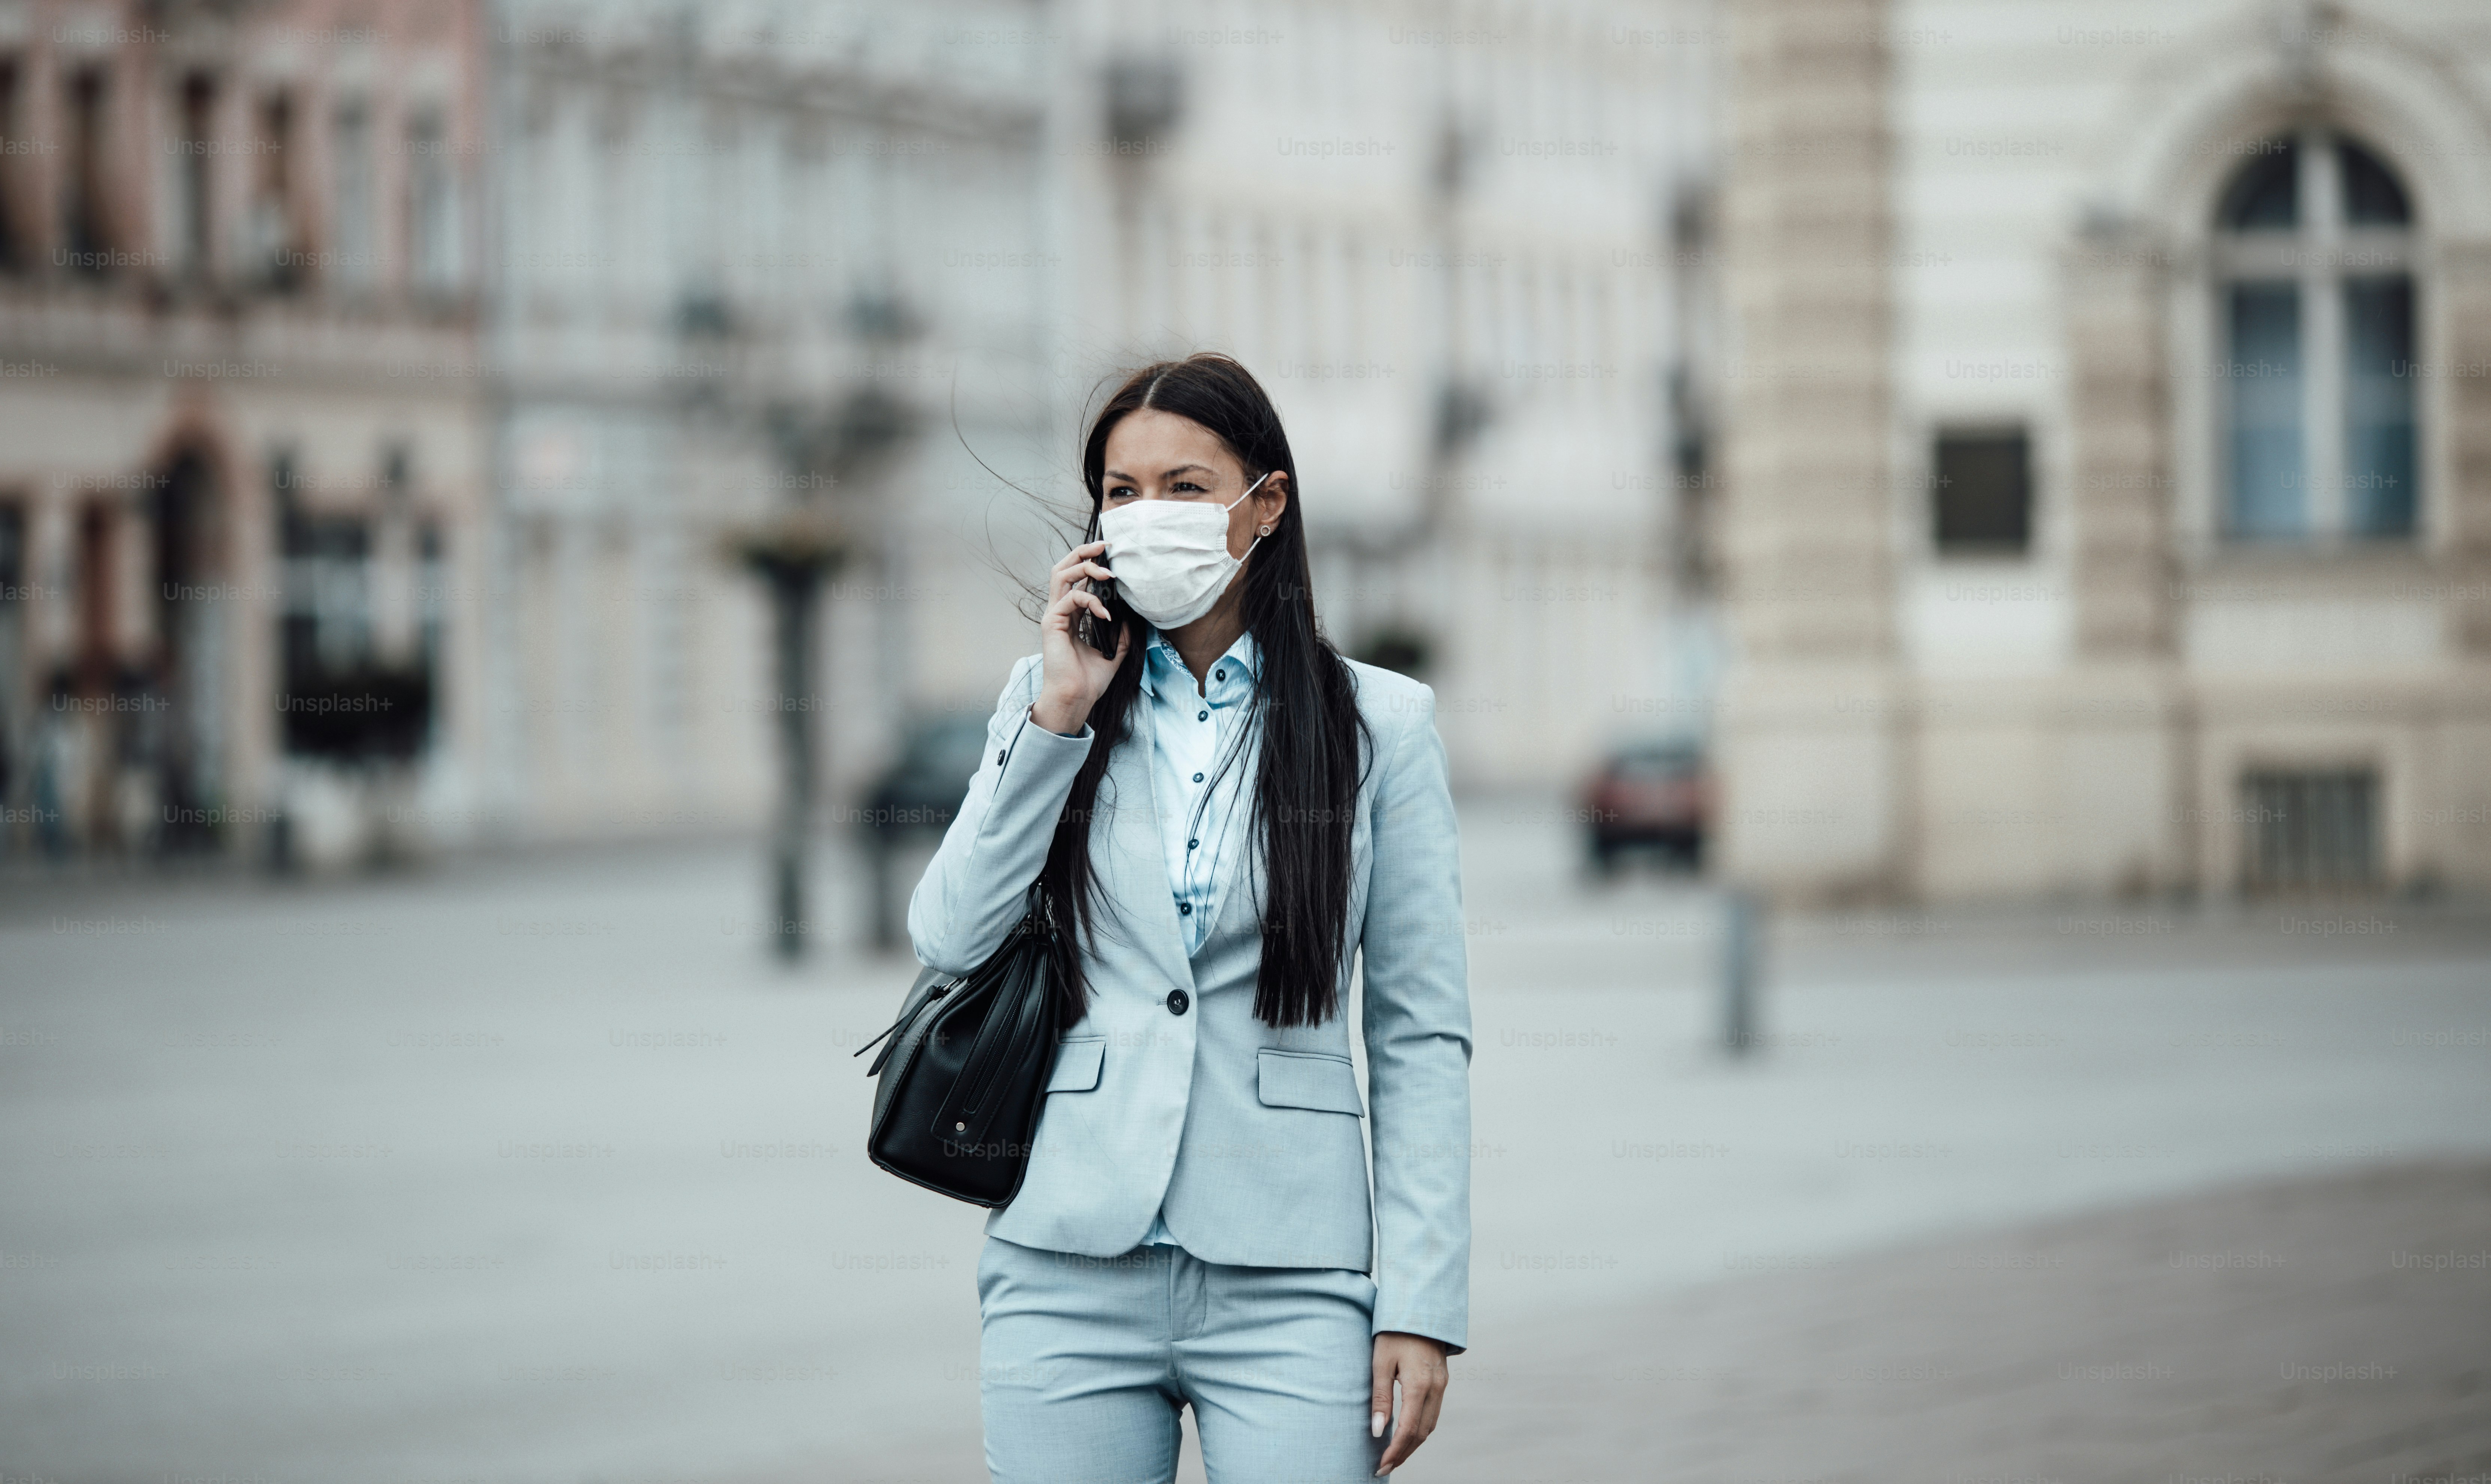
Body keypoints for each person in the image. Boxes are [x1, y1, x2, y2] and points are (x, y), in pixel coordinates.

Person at [907, 353, 1472, 1481]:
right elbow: (951, 935)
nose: (1147, 516)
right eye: (1121, 492)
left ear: (1265, 505)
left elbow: (1420, 1032)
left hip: (1294, 1273)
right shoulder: (1052, 698)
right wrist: (1059, 717)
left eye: (1184, 487)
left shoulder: (1380, 725)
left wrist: (1420, 1297)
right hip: (1067, 1259)